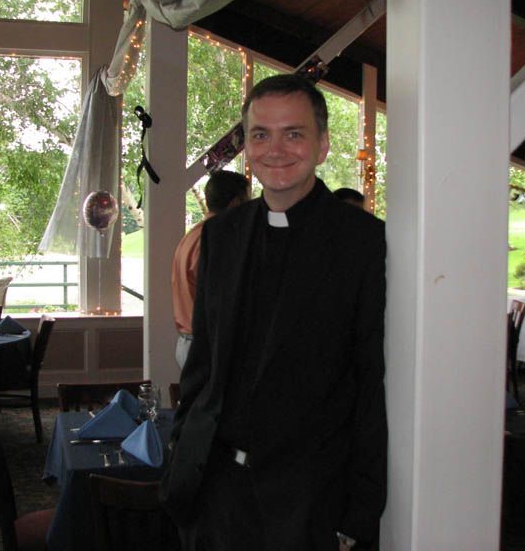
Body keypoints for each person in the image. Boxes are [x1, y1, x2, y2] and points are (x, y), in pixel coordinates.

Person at [160, 74, 387, 551]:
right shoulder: (221, 236)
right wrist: (182, 451)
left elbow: (369, 381)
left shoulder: (363, 241)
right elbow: (203, 363)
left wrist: (361, 510)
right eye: (261, 134)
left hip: (306, 500)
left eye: (294, 134)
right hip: (215, 492)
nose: (275, 150)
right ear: (247, 147)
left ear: (323, 145)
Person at [171, 170, 250, 370]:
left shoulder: (193, 235)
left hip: (188, 341)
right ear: (236, 203)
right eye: (248, 201)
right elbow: (220, 297)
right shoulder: (217, 240)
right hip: (207, 347)